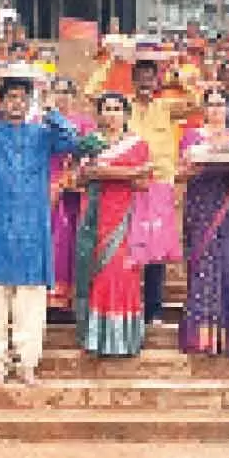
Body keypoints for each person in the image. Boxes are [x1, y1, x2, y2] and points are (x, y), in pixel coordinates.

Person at [0, 71, 79, 384]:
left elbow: (72, 140)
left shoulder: (42, 135)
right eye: (10, 98)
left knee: (31, 301)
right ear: (0, 102)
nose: (17, 104)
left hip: (32, 229)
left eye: (23, 98)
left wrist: (50, 109)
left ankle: (27, 364)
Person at [179, 87, 229, 355]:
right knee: (203, 263)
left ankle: (226, 335)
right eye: (211, 104)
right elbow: (182, 171)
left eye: (220, 104)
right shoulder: (192, 136)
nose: (215, 109)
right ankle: (200, 335)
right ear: (203, 109)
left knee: (228, 263)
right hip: (201, 205)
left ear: (228, 109)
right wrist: (198, 164)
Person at [74, 93, 154, 356]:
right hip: (93, 218)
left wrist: (107, 172)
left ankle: (122, 341)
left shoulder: (137, 144)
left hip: (125, 218)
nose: (111, 113)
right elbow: (81, 178)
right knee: (93, 275)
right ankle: (95, 338)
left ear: (126, 114)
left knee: (121, 275)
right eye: (106, 108)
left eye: (117, 109)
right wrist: (129, 172)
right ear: (98, 113)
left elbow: (144, 182)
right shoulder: (90, 143)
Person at [127, 58, 190, 327]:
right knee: (129, 245)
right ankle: (128, 306)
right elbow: (90, 94)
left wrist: (177, 77)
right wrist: (110, 62)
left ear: (156, 82)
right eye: (140, 76)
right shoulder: (121, 106)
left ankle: (153, 310)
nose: (144, 82)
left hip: (160, 183)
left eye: (149, 77)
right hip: (128, 183)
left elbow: (197, 102)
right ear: (133, 80)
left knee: (156, 248)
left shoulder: (166, 107)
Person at [48, 78, 96, 312]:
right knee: (54, 240)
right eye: (58, 91)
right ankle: (51, 296)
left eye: (67, 91)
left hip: (77, 189)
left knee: (75, 241)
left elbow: (90, 151)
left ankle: (74, 297)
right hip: (49, 187)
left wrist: (76, 174)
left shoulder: (84, 123)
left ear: (74, 96)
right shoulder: (41, 121)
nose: (62, 96)